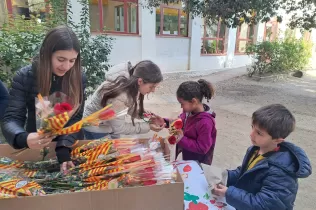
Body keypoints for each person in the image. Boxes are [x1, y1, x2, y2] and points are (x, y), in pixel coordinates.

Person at [1, 26, 86, 173]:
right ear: (47, 54)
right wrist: (24, 138)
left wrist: (63, 148)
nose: (66, 66)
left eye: (72, 60)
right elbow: (11, 118)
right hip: (35, 146)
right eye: (61, 59)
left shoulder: (78, 77)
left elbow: (76, 118)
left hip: (69, 146)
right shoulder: (25, 76)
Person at [213, 104, 312, 210]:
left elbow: (264, 205)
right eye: (252, 127)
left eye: (259, 133)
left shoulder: (281, 171)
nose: (251, 134)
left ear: (277, 140)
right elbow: (245, 173)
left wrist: (229, 193)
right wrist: (224, 175)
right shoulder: (255, 149)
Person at [83, 60, 164, 139]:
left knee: (116, 149)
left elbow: (125, 107)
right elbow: (119, 128)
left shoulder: (130, 82)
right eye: (151, 87)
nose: (153, 90)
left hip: (107, 123)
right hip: (93, 127)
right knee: (108, 151)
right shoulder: (119, 95)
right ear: (140, 81)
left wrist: (144, 115)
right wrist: (148, 126)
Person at [155, 79, 217, 165]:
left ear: (193, 101)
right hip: (188, 156)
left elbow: (203, 148)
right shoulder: (188, 112)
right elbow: (179, 123)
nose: (181, 107)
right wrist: (164, 122)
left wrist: (182, 139)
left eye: (182, 103)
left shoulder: (205, 122)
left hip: (199, 163)